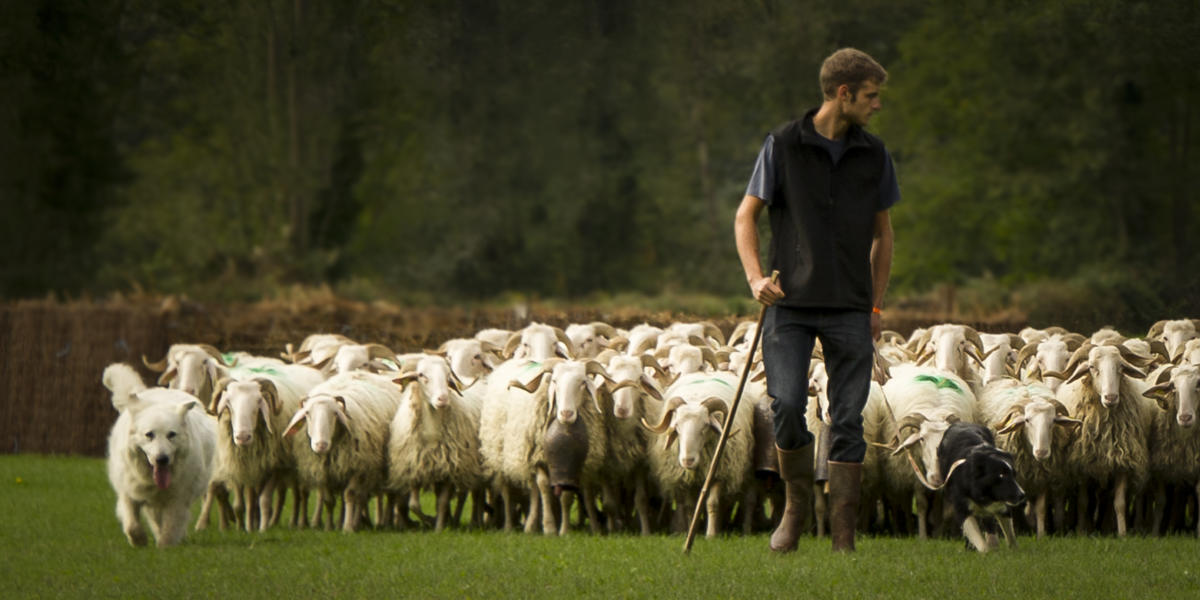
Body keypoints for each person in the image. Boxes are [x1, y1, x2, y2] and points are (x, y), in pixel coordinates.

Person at [733, 47, 897, 553]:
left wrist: (873, 307)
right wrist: (756, 278)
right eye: (871, 96)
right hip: (789, 305)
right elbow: (745, 218)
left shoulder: (874, 154)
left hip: (850, 305)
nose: (877, 106)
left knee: (847, 416)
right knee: (785, 405)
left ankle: (843, 535)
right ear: (843, 94)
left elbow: (883, 237)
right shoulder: (781, 145)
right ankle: (796, 506)